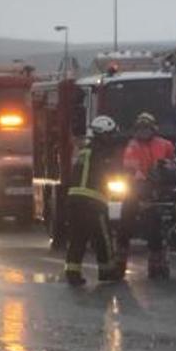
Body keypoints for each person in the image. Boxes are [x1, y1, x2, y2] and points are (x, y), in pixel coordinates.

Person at [63, 116, 122, 287]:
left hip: (74, 200)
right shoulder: (103, 152)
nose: (112, 138)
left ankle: (72, 273)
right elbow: (112, 173)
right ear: (103, 134)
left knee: (77, 238)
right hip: (93, 201)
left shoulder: (85, 151)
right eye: (110, 134)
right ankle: (107, 271)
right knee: (103, 237)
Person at [121, 112, 176, 278]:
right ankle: (119, 260)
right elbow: (130, 167)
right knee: (125, 221)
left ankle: (157, 262)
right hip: (138, 190)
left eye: (146, 128)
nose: (144, 131)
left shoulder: (165, 145)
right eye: (141, 128)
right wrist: (142, 181)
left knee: (156, 228)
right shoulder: (133, 146)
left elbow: (174, 164)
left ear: (153, 129)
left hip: (160, 191)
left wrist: (167, 172)